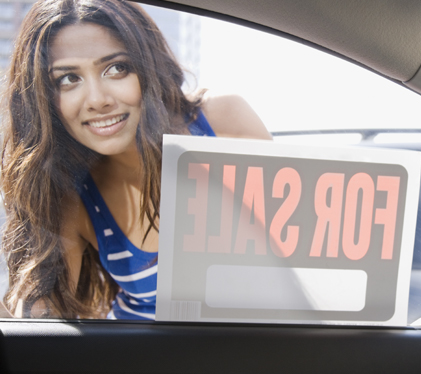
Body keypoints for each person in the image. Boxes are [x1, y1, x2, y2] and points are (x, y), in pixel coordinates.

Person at [1, 0, 271, 319]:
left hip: (252, 359)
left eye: (117, 68)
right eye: (68, 79)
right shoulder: (71, 194)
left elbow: (306, 255)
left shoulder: (222, 121)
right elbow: (40, 315)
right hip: (136, 363)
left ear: (146, 67)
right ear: (45, 101)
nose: (98, 100)